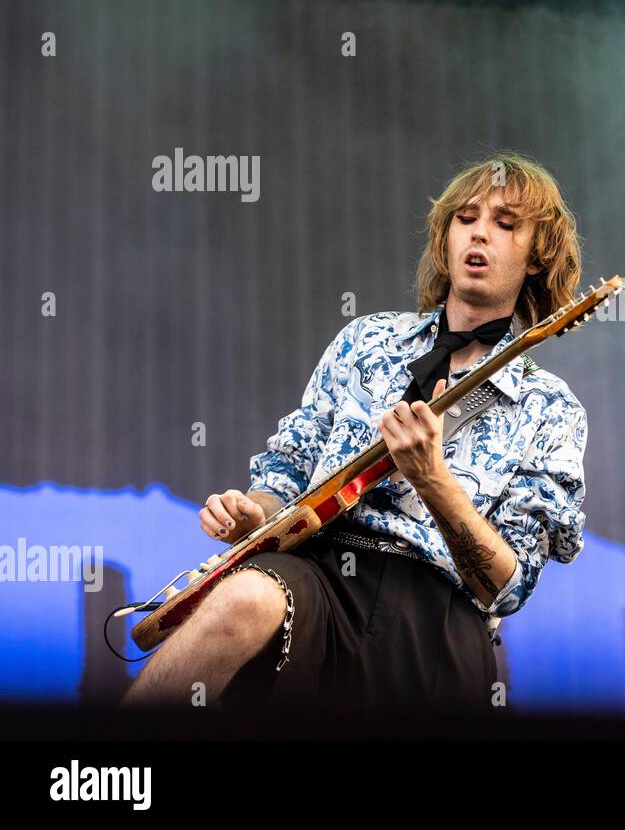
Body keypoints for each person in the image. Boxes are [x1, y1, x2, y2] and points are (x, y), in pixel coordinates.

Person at [122, 152, 588, 715]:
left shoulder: (553, 407)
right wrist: (255, 513)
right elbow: (288, 470)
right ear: (444, 236)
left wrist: (434, 480)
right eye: (466, 218)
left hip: (437, 620)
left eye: (505, 224)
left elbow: (508, 587)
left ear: (538, 257)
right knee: (242, 595)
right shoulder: (364, 341)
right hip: (318, 574)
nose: (479, 233)